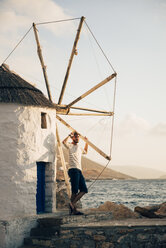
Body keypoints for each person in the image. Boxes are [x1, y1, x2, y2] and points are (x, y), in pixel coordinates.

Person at [62, 131, 88, 215]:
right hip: (73, 170)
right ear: (73, 138)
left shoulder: (79, 147)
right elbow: (63, 142)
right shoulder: (70, 145)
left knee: (84, 190)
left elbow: (85, 152)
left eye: (78, 137)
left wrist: (86, 142)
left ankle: (72, 205)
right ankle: (73, 210)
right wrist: (68, 135)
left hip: (79, 170)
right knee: (74, 191)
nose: (77, 138)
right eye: (75, 137)